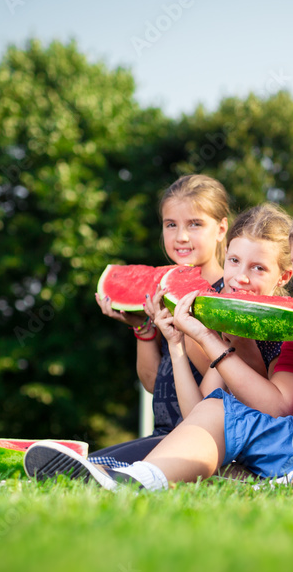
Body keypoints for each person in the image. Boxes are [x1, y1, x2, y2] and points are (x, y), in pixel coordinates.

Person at [24, 188, 293, 490]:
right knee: (221, 408)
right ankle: (137, 481)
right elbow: (278, 405)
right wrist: (208, 339)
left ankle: (290, 486)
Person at [87, 204, 293, 472]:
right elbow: (196, 416)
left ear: (284, 276)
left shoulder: (291, 330)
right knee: (96, 463)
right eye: (234, 261)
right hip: (244, 449)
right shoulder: (228, 324)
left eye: (258, 268)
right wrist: (176, 344)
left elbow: (274, 409)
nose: (241, 278)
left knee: (139, 465)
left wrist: (224, 342)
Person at [90, 174, 229, 464]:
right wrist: (142, 327)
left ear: (221, 228)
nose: (181, 237)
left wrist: (183, 329)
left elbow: (223, 375)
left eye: (195, 224)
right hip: (165, 430)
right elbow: (154, 383)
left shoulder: (227, 294)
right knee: (87, 463)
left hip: (203, 436)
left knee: (94, 468)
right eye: (171, 225)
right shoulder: (164, 288)